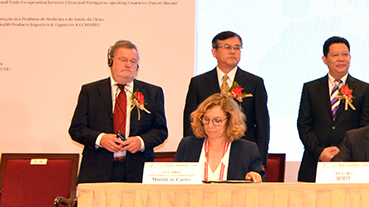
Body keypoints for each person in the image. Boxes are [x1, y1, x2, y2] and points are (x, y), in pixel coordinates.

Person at [68, 39, 168, 183]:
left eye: (133, 61)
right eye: (123, 60)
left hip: (138, 170)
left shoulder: (153, 93)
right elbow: (76, 129)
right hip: (97, 170)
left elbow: (161, 131)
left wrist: (141, 141)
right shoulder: (90, 91)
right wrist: (100, 139)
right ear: (111, 62)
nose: (128, 65)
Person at [182, 31, 271, 158]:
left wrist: (260, 159)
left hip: (243, 152)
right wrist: (191, 154)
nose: (233, 51)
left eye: (237, 48)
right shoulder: (199, 83)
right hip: (207, 151)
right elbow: (190, 121)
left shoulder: (254, 83)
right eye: (227, 47)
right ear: (214, 52)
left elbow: (262, 125)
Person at [296, 36, 369, 182]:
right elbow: (303, 125)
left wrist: (341, 150)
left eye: (345, 54)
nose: (341, 59)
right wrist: (319, 152)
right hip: (314, 162)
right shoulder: (311, 88)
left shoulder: (363, 89)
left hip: (350, 162)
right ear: (324, 59)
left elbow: (365, 126)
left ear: (350, 58)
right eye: (335, 55)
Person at [175, 93, 265, 182]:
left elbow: (261, 184)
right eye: (206, 119)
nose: (210, 126)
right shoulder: (187, 146)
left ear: (230, 121)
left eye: (217, 121)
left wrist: (255, 177)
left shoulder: (247, 150)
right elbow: (174, 181)